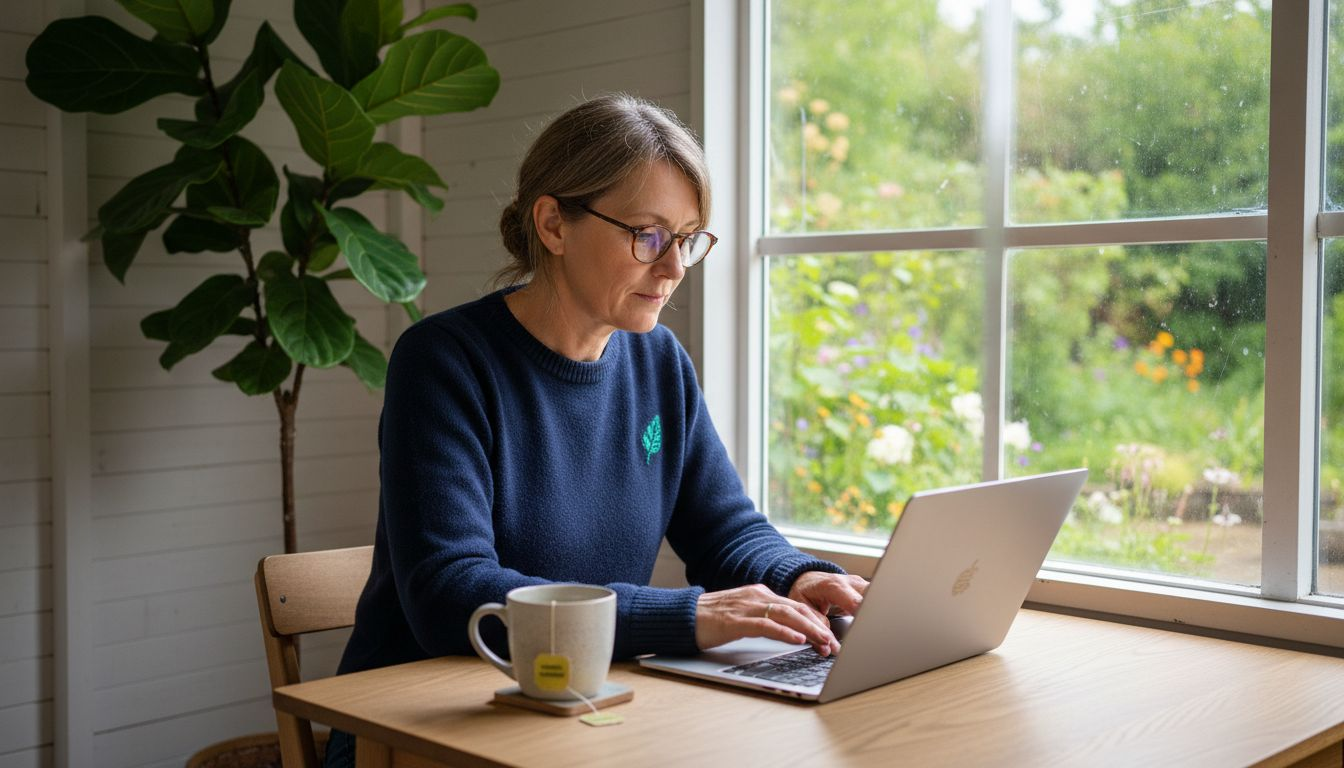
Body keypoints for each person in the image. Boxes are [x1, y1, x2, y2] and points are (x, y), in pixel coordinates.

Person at [324, 93, 867, 767]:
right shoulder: (445, 361)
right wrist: (686, 618)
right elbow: (451, 594)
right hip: (422, 735)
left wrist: (797, 578)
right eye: (648, 235)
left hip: (578, 717)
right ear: (553, 224)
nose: (672, 269)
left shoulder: (658, 361)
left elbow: (724, 529)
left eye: (687, 239)